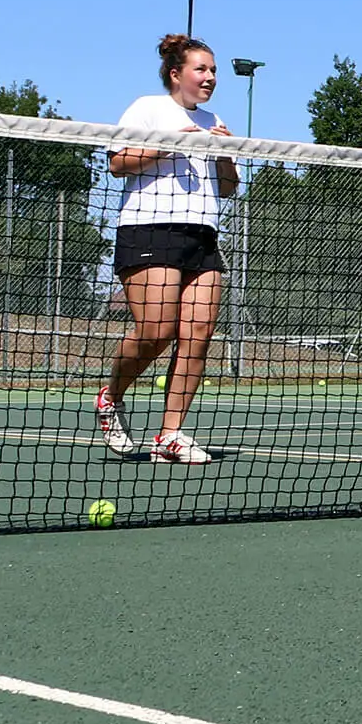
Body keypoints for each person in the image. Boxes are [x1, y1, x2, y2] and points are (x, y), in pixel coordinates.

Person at [99, 35, 240, 465]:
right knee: (156, 332)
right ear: (176, 74)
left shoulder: (213, 119)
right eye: (201, 69)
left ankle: (171, 434)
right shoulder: (147, 108)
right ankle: (110, 398)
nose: (210, 77)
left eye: (213, 70)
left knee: (197, 335)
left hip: (201, 235)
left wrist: (222, 154)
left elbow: (230, 189)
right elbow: (117, 162)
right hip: (149, 230)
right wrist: (164, 146)